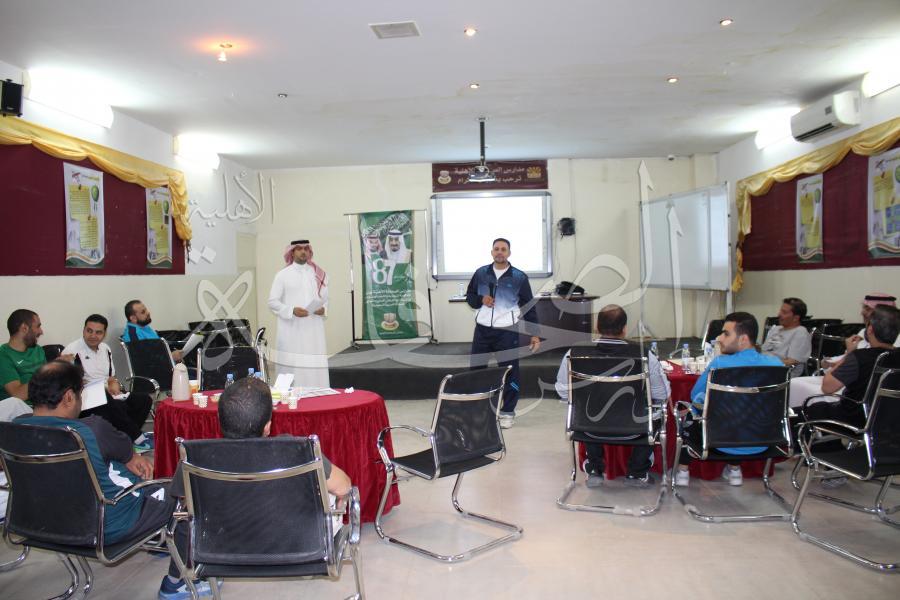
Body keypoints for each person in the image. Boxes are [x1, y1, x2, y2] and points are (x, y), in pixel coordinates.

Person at [12, 361, 214, 599]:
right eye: (80, 394)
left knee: (115, 470)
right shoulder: (89, 431)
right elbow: (127, 452)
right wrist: (131, 459)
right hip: (107, 525)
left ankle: (160, 538)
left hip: (40, 524)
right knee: (187, 495)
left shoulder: (13, 430)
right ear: (68, 397)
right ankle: (177, 584)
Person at [164, 378, 351, 597]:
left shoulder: (195, 457)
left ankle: (176, 582)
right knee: (327, 495)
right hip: (301, 549)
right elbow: (344, 487)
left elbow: (183, 501)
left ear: (219, 419)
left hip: (219, 554)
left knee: (187, 514)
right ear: (268, 425)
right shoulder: (298, 451)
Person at [555, 304, 670, 487]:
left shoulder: (575, 353)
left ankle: (594, 469)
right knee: (654, 411)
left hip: (587, 427)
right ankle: (637, 472)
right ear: (624, 329)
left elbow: (562, 390)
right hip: (636, 428)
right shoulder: (644, 354)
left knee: (587, 405)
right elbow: (662, 394)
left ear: (597, 327)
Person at [674, 312, 783, 488]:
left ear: (743, 339)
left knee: (692, 413)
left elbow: (695, 395)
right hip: (765, 440)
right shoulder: (777, 364)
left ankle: (683, 471)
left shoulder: (720, 364)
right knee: (742, 412)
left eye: (726, 333)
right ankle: (734, 469)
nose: (719, 338)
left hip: (720, 439)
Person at [466, 237, 540, 429]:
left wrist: (534, 333)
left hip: (507, 332)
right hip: (482, 331)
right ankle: (477, 409)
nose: (500, 252)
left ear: (509, 253)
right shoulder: (480, 273)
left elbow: (528, 306)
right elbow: (470, 297)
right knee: (476, 372)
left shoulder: (519, 277)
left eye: (503, 249)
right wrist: (481, 299)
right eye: (496, 249)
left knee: (510, 372)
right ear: (492, 252)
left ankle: (507, 412)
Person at [63, 314, 153, 450]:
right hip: (84, 399)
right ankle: (137, 437)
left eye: (98, 332)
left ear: (104, 334)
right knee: (108, 400)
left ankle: (125, 440)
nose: (93, 336)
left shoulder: (105, 348)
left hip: (106, 394)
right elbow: (68, 384)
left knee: (143, 399)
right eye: (89, 331)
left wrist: (113, 383)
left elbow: (111, 377)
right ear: (83, 330)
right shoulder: (72, 351)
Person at [267, 239, 330, 388]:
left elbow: (325, 299)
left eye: (306, 249)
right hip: (292, 329)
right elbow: (272, 302)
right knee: (293, 365)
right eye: (299, 249)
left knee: (314, 362)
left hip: (314, 329)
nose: (303, 252)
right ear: (292, 252)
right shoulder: (282, 275)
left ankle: (318, 392)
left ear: (310, 252)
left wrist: (323, 309)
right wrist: (292, 310)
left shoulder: (318, 274)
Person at [0, 309, 47, 405]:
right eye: (38, 326)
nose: (41, 331)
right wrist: (53, 371)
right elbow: (18, 395)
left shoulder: (37, 350)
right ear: (24, 328)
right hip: (20, 410)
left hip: (44, 405)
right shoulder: (3, 355)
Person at [761, 297, 812, 376]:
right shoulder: (776, 329)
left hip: (781, 373)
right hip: (763, 368)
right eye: (780, 311)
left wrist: (765, 363)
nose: (779, 314)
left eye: (784, 312)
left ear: (795, 318)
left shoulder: (800, 332)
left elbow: (791, 361)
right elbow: (764, 350)